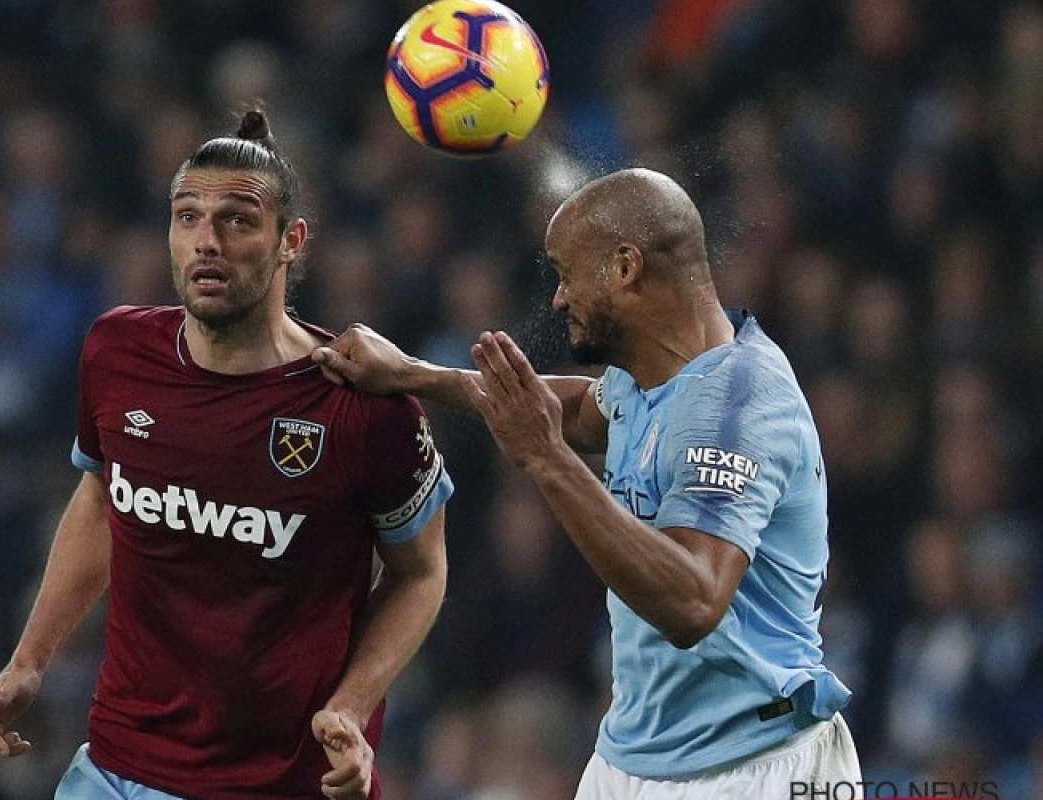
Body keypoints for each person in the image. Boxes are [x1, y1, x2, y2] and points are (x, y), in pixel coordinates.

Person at [312, 168, 862, 799]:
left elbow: (694, 601)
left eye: (567, 273)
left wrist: (546, 460)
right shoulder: (651, 372)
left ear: (625, 267)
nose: (557, 298)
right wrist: (413, 374)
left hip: (755, 766)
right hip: (630, 758)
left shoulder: (737, 406)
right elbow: (571, 412)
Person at [0, 108, 453, 800]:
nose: (206, 242)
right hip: (118, 767)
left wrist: (351, 704)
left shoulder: (360, 406)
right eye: (187, 216)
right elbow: (104, 500)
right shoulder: (116, 351)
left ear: (291, 240)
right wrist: (28, 661)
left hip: (282, 782)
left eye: (237, 220)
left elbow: (420, 572)